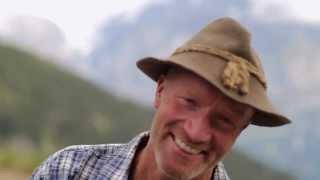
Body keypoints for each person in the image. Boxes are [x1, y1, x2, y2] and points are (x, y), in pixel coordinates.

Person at [31, 17, 291, 180]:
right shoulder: (69, 171)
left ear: (240, 130)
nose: (196, 132)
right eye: (189, 102)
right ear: (160, 90)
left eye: (223, 121)